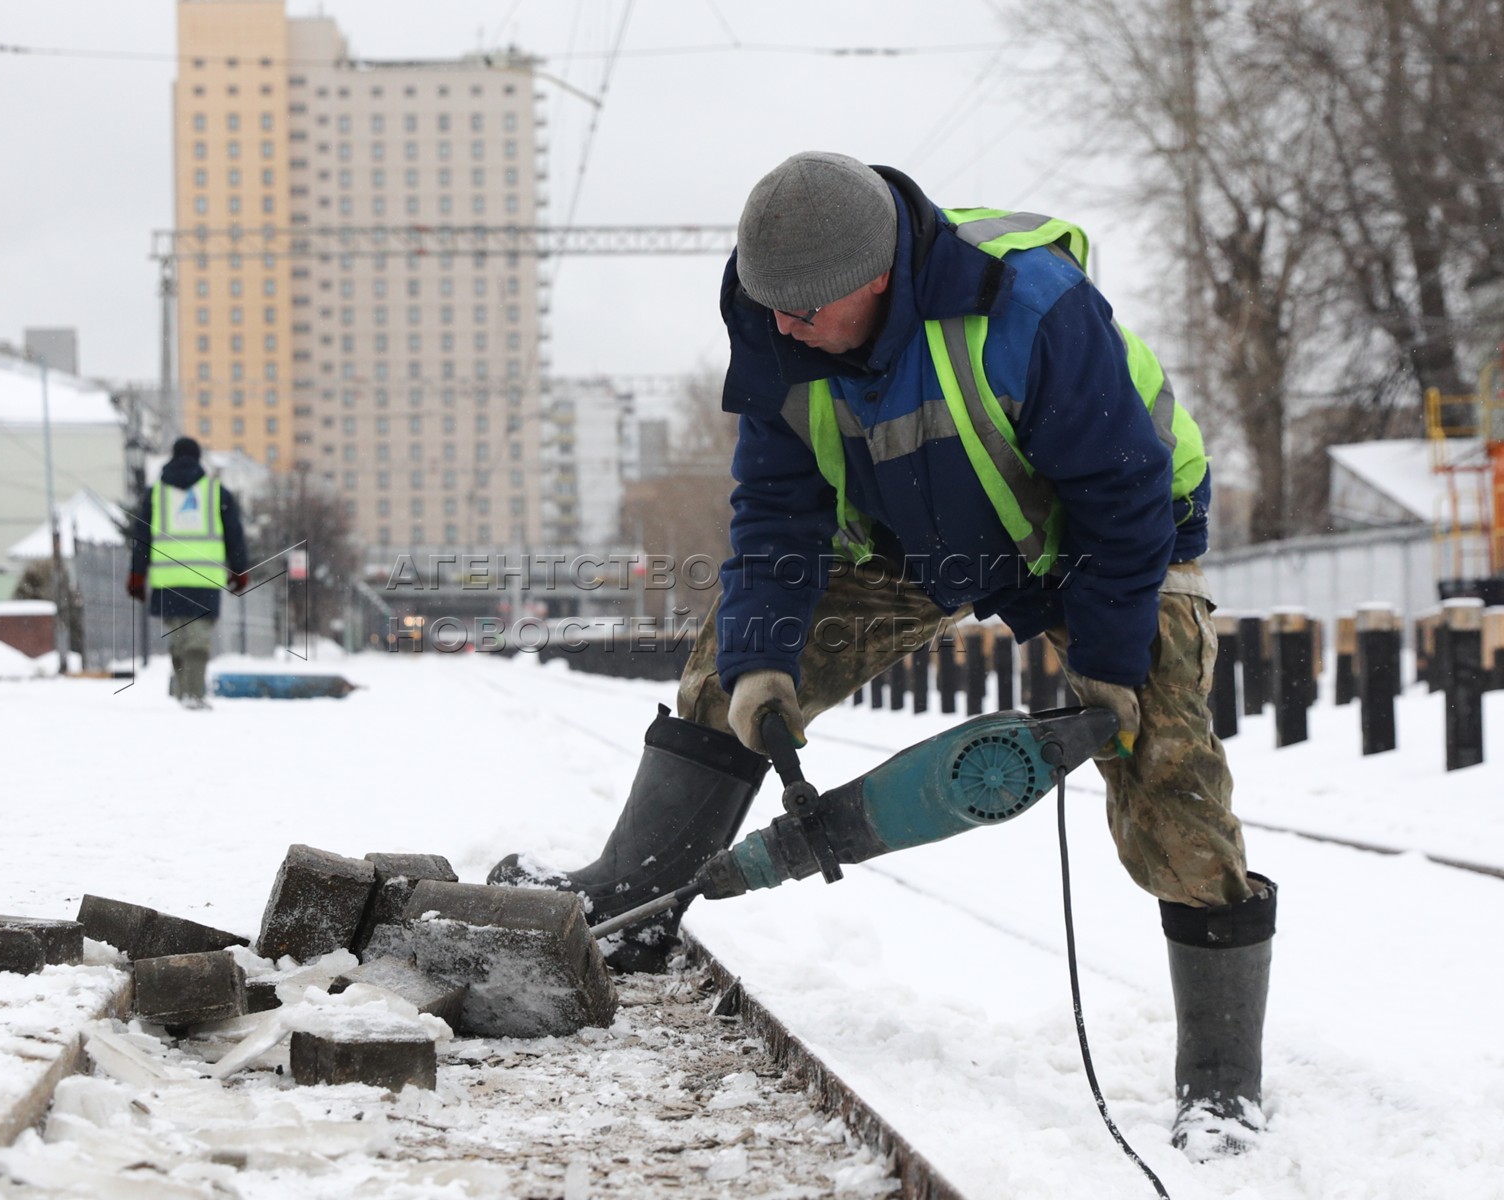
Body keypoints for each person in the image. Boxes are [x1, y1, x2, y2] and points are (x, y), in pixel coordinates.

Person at [493, 152, 1277, 1161]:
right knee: (724, 671)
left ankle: (1221, 1079)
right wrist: (766, 662)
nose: (780, 328)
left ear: (875, 281)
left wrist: (1110, 666)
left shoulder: (1031, 309)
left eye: (803, 312)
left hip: (1107, 539)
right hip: (916, 543)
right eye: (767, 307)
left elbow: (1123, 500)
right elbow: (778, 506)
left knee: (1166, 761)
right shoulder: (773, 305)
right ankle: (635, 902)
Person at [126, 437, 250, 709]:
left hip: (167, 581)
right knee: (198, 640)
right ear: (197, 459)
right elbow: (235, 536)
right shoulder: (217, 493)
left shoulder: (155, 494)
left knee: (180, 640)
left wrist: (137, 574)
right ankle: (191, 696)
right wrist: (239, 570)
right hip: (204, 581)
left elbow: (142, 537)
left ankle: (184, 693)